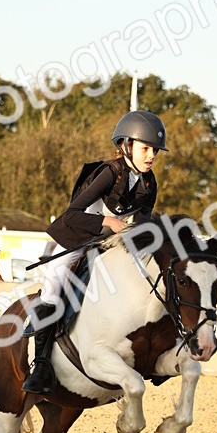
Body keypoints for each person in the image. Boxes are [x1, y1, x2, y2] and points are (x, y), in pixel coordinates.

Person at [22, 109, 167, 395]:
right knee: (55, 280)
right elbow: (71, 214)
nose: (151, 155)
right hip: (78, 235)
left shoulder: (149, 184)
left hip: (111, 244)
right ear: (126, 146)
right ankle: (41, 365)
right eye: (145, 148)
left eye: (154, 151)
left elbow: (144, 222)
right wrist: (106, 221)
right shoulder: (108, 174)